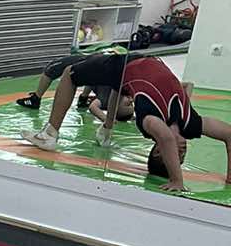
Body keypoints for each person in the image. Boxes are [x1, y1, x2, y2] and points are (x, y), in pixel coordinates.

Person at [28, 54, 231, 194]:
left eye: (178, 155)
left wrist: (177, 181)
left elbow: (167, 138)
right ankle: (106, 130)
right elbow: (229, 135)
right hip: (143, 65)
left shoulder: (149, 121)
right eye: (183, 156)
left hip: (127, 65)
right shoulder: (191, 124)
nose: (184, 151)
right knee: (121, 87)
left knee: (70, 72)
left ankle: (49, 134)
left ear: (158, 150)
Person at [14, 45, 127, 115]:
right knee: (92, 74)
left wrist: (107, 122)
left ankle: (36, 98)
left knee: (52, 68)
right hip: (103, 63)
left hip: (96, 63)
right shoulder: (122, 91)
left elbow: (93, 107)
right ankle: (83, 98)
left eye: (128, 105)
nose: (130, 102)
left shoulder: (106, 100)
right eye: (131, 105)